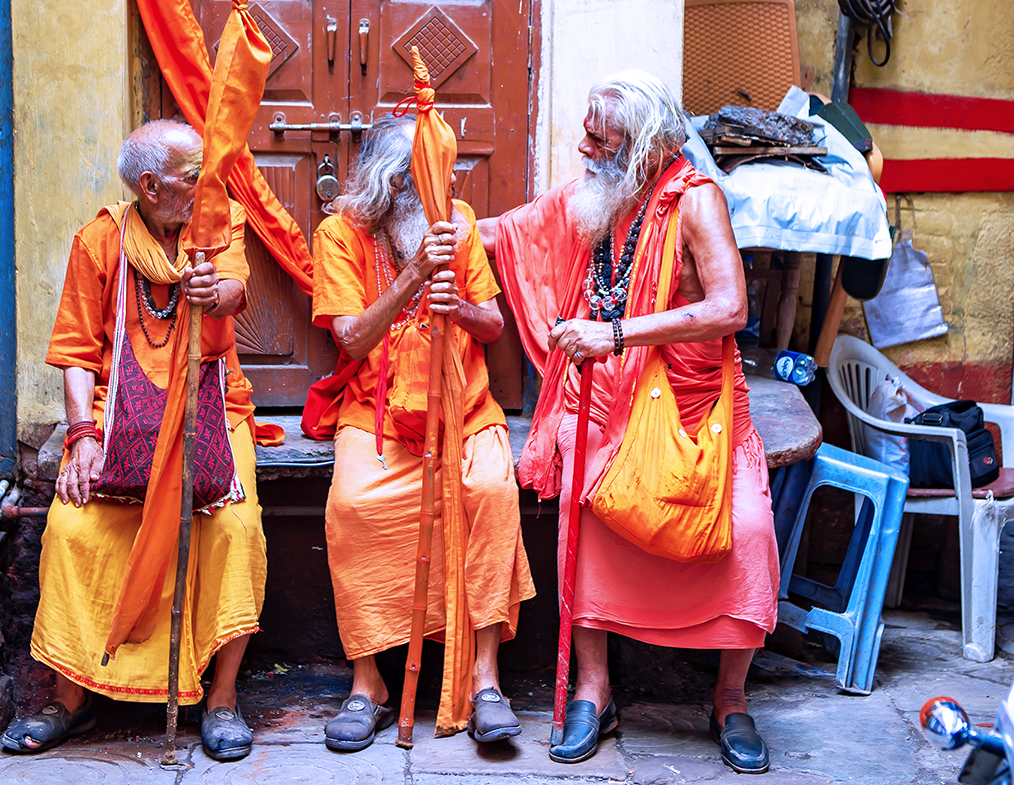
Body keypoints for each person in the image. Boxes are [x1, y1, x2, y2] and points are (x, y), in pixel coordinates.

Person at [479, 71, 781, 774]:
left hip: (697, 407)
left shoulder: (696, 200)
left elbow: (730, 308)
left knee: (748, 530)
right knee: (584, 514)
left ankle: (730, 698)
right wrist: (422, 221)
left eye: (600, 138)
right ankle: (595, 689)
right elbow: (507, 234)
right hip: (609, 401)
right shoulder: (597, 197)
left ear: (646, 147)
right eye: (587, 133)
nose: (584, 147)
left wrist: (615, 334)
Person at [3, 121, 265, 761]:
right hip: (115, 416)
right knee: (71, 529)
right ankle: (70, 699)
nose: (205, 185)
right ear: (150, 186)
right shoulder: (99, 241)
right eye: (191, 176)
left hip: (210, 410)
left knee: (236, 529)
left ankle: (222, 697)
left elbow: (235, 288)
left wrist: (212, 291)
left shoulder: (217, 223)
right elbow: (75, 352)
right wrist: (81, 436)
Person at [310, 116, 535, 750]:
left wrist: (455, 305)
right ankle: (369, 685)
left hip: (464, 412)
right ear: (394, 185)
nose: (450, 187)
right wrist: (412, 275)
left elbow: (492, 324)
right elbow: (351, 338)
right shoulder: (339, 233)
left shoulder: (457, 222)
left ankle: (484, 682)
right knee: (352, 506)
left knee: (491, 492)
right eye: (435, 176)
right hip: (377, 416)